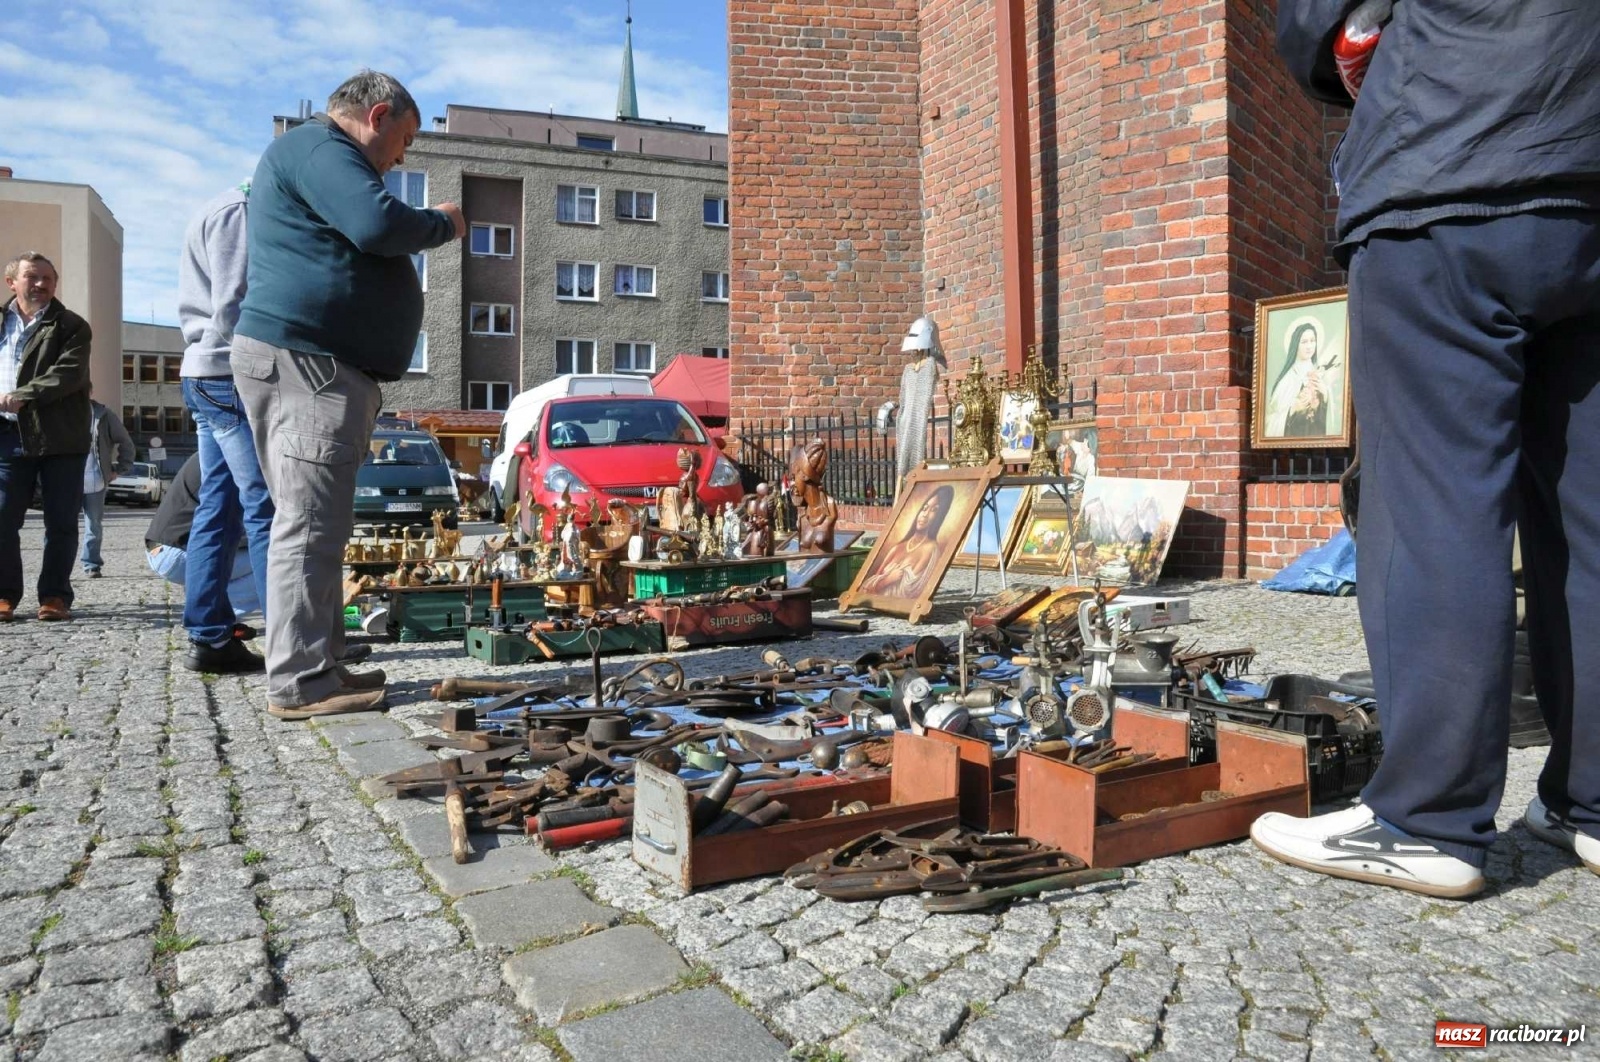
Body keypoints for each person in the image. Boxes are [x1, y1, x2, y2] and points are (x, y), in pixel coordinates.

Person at [1254, 1, 1600, 897]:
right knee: (1592, 521)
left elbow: (1325, 22)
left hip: (1453, 155)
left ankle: (1426, 818)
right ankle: (1591, 805)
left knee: (1433, 502)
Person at [232, 70, 464, 719]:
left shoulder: (314, 157)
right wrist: (442, 223)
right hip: (308, 363)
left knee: (318, 524)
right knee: (309, 526)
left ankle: (323, 657)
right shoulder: (321, 149)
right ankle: (302, 680)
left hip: (316, 364)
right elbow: (374, 223)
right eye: (404, 139)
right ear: (378, 114)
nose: (402, 157)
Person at [177, 181, 277, 674]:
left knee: (220, 504)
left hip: (206, 372)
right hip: (227, 374)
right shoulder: (241, 209)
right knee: (265, 504)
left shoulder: (221, 203)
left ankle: (210, 635)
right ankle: (291, 642)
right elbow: (235, 299)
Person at [0, 253, 91, 623]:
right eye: (32, 277)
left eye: (48, 278)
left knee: (61, 521)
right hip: (7, 435)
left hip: (61, 439)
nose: (41, 284)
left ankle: (54, 596)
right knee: (3, 516)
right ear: (12, 283)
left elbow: (68, 373)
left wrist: (25, 394)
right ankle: (4, 595)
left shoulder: (71, 326)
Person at [860, 484, 953, 599]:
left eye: (933, 510)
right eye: (924, 508)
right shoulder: (897, 547)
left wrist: (885, 581)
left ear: (939, 516)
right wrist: (887, 580)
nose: (925, 515)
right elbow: (867, 587)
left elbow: (912, 593)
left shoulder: (930, 549)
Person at [80, 384, 134, 578]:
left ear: (90, 391)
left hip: (95, 481)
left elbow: (126, 442)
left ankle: (91, 564)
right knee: (60, 527)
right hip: (67, 480)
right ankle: (57, 570)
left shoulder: (103, 415)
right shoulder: (62, 413)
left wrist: (120, 468)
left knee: (93, 525)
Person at [1264, 319, 1335, 438]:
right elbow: (1269, 420)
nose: (1309, 346)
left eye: (1312, 341)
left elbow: (1330, 422)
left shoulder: (1320, 376)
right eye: (1304, 342)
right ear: (1296, 344)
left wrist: (1325, 394)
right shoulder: (1287, 379)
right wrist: (1293, 409)